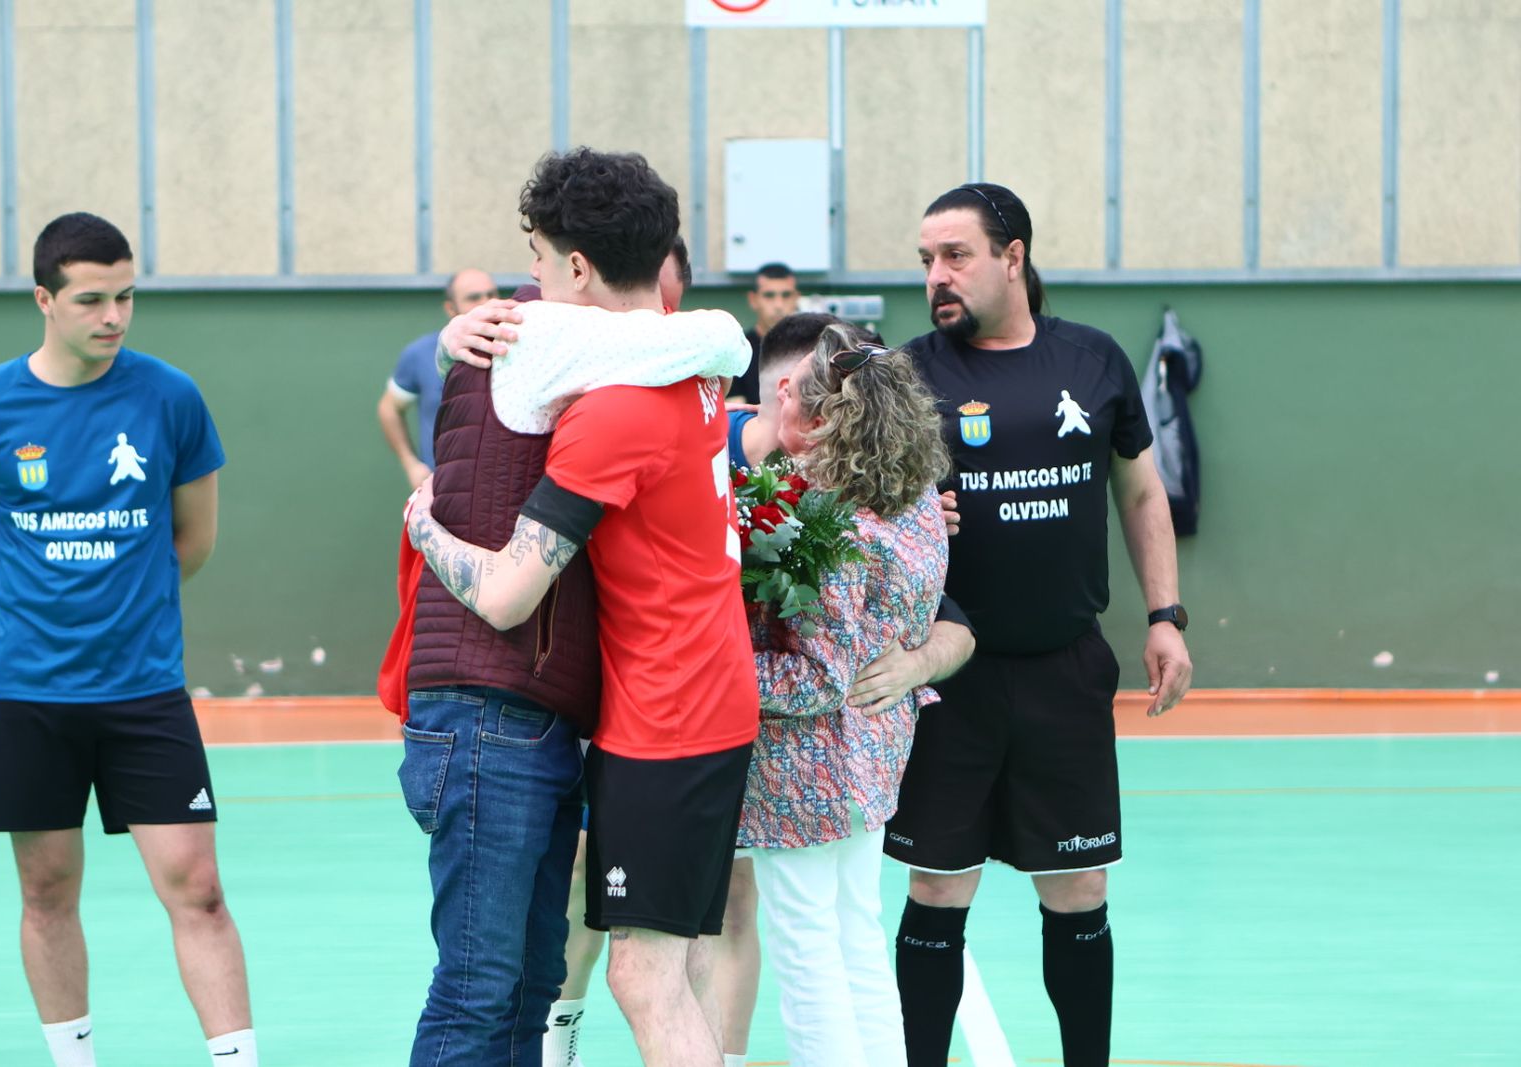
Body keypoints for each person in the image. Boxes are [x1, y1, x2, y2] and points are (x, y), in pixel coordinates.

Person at [407, 148, 758, 1067]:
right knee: (664, 966)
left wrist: (426, 531)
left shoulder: (614, 410)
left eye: (535, 260)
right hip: (706, 696)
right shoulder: (691, 367)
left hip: (668, 712)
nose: (524, 288)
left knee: (640, 978)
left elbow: (509, 589)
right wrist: (453, 340)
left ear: (576, 267)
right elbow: (719, 335)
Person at [0, 212, 256, 1067]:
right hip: (31, 693)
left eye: (125, 296)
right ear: (45, 298)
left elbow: (195, 539)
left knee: (200, 889)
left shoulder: (170, 397)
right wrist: (30, 611)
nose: (113, 316)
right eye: (91, 299)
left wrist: (123, 604)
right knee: (45, 891)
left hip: (145, 691)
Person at [883, 183, 1194, 1067]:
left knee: (1080, 886)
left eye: (956, 256)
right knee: (938, 887)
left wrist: (1166, 614)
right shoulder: (908, 376)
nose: (937, 277)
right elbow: (854, 501)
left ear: (1013, 256)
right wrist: (907, 514)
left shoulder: (1093, 361)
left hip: (1064, 667)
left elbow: (1140, 491)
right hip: (948, 677)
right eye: (926, 261)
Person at [738, 325, 959, 1067]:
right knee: (856, 933)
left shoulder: (832, 525)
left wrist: (720, 664)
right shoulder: (918, 498)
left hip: (809, 766)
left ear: (829, 417)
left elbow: (817, 678)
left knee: (805, 950)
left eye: (795, 390)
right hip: (877, 750)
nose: (779, 394)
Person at [377, 268, 499, 487]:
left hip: (502, 491)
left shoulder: (516, 350)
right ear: (451, 309)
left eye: (491, 294)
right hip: (442, 493)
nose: (487, 303)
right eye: (474, 298)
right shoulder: (422, 353)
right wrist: (410, 464)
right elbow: (389, 408)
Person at [728, 262, 799, 405]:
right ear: (753, 300)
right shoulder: (738, 351)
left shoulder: (812, 350)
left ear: (796, 298)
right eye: (769, 295)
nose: (778, 305)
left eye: (786, 295)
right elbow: (736, 413)